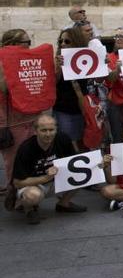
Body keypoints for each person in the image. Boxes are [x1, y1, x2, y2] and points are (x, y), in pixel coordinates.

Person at [12, 114, 86, 224]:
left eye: (51, 130)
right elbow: (17, 183)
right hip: (34, 184)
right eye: (43, 130)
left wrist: (100, 165)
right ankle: (29, 209)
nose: (48, 134)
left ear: (56, 129)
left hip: (57, 180)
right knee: (32, 196)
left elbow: (76, 163)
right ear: (35, 131)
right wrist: (46, 178)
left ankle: (63, 204)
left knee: (85, 175)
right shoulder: (26, 148)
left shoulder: (63, 139)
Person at [0, 29, 43, 188]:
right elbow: (3, 88)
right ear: (13, 44)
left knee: (32, 154)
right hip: (12, 120)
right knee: (14, 157)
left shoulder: (28, 59)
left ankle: (29, 189)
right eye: (26, 43)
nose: (29, 46)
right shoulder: (1, 60)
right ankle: (14, 191)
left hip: (31, 116)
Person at [52, 27, 90, 147]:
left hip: (84, 108)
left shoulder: (87, 58)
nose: (63, 44)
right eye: (60, 41)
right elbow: (53, 83)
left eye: (67, 41)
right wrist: (58, 68)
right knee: (67, 142)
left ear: (76, 41)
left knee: (84, 141)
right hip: (64, 109)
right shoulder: (57, 60)